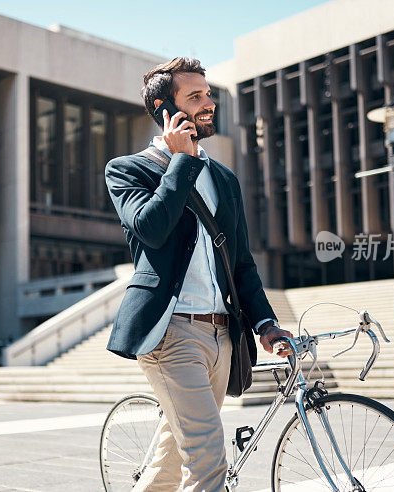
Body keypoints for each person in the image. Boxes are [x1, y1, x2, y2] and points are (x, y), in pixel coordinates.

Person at [104, 57, 294, 491]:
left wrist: (265, 323)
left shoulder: (224, 179)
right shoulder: (128, 169)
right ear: (162, 108)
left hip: (222, 337)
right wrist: (181, 161)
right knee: (208, 457)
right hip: (170, 335)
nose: (209, 103)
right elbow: (151, 229)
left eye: (209, 94)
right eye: (195, 97)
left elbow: (241, 261)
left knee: (173, 458)